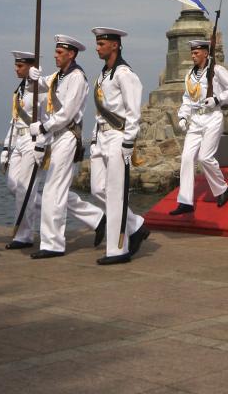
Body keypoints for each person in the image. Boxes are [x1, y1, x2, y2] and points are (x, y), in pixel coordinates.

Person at [27, 35, 105, 258]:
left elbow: (67, 112)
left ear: (71, 54)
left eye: (60, 52)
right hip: (55, 137)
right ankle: (97, 219)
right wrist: (33, 78)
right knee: (57, 188)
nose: (55, 55)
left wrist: (43, 127)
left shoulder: (77, 77)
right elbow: (38, 88)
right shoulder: (57, 77)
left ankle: (52, 244)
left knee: (53, 190)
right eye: (56, 51)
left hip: (67, 135)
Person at [89, 27, 149, 265]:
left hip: (118, 136)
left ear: (115, 45)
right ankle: (137, 225)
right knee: (97, 189)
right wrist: (94, 139)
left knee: (115, 193)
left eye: (102, 43)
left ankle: (117, 250)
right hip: (101, 138)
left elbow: (133, 110)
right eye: (97, 43)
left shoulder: (124, 74)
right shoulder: (103, 75)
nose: (97, 47)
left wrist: (129, 141)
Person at [171, 40, 228, 215]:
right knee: (186, 158)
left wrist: (217, 99)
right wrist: (183, 116)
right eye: (192, 52)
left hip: (212, 117)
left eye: (196, 53)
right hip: (195, 120)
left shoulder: (217, 70)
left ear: (206, 53)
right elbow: (187, 98)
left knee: (205, 157)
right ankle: (185, 201)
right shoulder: (189, 75)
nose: (193, 56)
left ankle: (222, 189)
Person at [0, 51, 44, 249]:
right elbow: (14, 119)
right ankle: (56, 206)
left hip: (33, 139)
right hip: (18, 140)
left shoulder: (39, 87)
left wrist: (42, 143)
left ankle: (24, 235)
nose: (16, 69)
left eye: (20, 66)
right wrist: (5, 147)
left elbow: (47, 112)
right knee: (14, 186)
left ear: (30, 67)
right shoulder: (20, 90)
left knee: (25, 189)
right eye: (16, 65)